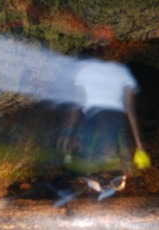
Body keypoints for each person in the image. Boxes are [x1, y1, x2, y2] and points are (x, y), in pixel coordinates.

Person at [56, 59, 150, 200]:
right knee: (114, 155)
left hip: (93, 121)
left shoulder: (85, 70)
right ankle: (109, 178)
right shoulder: (122, 73)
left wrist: (68, 132)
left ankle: (95, 178)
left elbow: (76, 106)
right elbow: (130, 109)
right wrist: (139, 144)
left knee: (88, 154)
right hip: (114, 122)